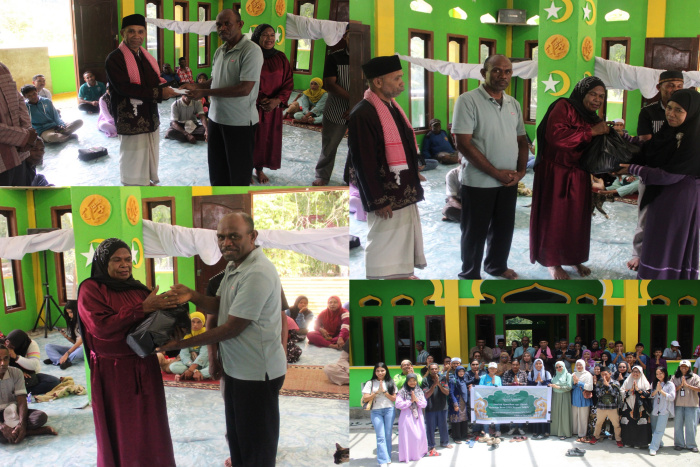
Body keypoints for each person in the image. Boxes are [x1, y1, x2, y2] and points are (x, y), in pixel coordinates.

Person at [160, 212, 287, 466]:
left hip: (256, 374)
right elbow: (221, 305)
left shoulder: (257, 272)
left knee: (257, 449)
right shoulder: (234, 266)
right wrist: (193, 295)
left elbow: (232, 327)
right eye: (221, 237)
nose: (226, 243)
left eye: (234, 236)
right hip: (237, 370)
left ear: (252, 236)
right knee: (239, 441)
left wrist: (179, 345)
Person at [77, 238, 177, 466]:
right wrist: (142, 308)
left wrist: (174, 314)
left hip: (146, 367)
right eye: (117, 260)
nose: (124, 265)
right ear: (103, 262)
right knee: (124, 427)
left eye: (128, 259)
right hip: (113, 372)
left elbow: (154, 326)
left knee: (151, 425)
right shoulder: (91, 289)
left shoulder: (138, 289)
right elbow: (100, 327)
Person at [348, 55, 426, 279]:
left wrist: (413, 171)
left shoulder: (392, 107)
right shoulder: (363, 113)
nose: (402, 83)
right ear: (378, 82)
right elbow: (363, 162)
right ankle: (380, 279)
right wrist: (377, 199)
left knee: (403, 233)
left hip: (402, 186)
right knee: (383, 238)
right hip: (384, 193)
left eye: (402, 77)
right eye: (397, 78)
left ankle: (402, 274)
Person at [452, 54, 528, 280]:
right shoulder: (468, 101)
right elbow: (463, 144)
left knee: (503, 228)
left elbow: (522, 140)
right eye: (496, 70)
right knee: (474, 231)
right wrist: (496, 173)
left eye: (507, 71)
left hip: (509, 182)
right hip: (479, 181)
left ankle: (496, 266)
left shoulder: (513, 103)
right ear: (483, 73)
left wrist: (521, 172)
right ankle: (470, 273)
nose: (502, 75)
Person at [530, 76, 610, 279]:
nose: (597, 99)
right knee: (554, 218)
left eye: (601, 96)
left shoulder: (592, 117)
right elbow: (556, 137)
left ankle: (574, 258)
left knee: (576, 219)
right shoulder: (564, 106)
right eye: (592, 94)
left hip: (579, 173)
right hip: (556, 173)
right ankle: (553, 262)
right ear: (582, 93)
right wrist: (591, 131)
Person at [620, 89, 700, 279]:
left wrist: (633, 169)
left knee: (670, 241)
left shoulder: (695, 139)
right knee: (656, 237)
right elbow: (652, 149)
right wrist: (625, 138)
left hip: (680, 199)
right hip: (660, 195)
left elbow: (671, 175)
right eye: (669, 108)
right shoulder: (670, 131)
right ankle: (652, 279)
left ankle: (667, 283)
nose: (671, 114)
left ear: (692, 112)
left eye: (679, 110)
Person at [181, 9, 263, 186]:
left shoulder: (251, 51)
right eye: (219, 24)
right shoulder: (220, 51)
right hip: (216, 120)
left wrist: (205, 92)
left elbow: (245, 89)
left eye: (227, 24)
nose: (222, 28)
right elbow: (214, 80)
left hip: (239, 123)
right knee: (217, 173)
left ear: (240, 24)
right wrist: (196, 86)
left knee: (238, 176)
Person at [105, 14, 177, 186]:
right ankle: (132, 185)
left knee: (149, 149)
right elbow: (124, 88)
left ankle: (145, 181)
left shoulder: (145, 57)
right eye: (131, 31)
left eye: (140, 31)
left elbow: (152, 81)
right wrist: (159, 93)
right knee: (133, 154)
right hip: (130, 116)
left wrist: (171, 89)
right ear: (123, 33)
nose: (136, 36)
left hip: (149, 114)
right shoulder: (115, 58)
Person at [628, 70, 685, 271]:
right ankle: (638, 253)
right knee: (646, 212)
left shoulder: (689, 112)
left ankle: (670, 255)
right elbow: (647, 144)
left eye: (679, 86)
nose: (675, 90)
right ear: (659, 87)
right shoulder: (649, 112)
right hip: (652, 171)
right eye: (670, 85)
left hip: (678, 174)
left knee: (674, 217)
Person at [250, 23, 293, 184]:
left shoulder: (281, 57)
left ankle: (259, 168)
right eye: (265, 35)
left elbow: (288, 81)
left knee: (267, 138)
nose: (269, 38)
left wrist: (277, 100)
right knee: (251, 138)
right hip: (253, 105)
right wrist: (260, 99)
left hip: (273, 107)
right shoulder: (250, 55)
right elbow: (246, 80)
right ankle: (246, 168)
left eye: (272, 35)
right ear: (257, 37)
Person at [312, 30, 349, 186]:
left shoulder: (366, 58)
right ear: (345, 36)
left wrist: (357, 106)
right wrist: (353, 101)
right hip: (336, 110)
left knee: (358, 147)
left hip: (361, 109)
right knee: (329, 145)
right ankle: (323, 175)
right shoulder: (335, 57)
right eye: (350, 34)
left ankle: (351, 177)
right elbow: (330, 84)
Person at [0, 345, 57, 444]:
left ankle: (17, 432)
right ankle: (35, 432)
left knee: (40, 417)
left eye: (6, 359)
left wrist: (22, 424)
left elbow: (21, 399)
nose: (3, 363)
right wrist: (1, 426)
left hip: (14, 411)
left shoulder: (16, 373)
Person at [0, 62, 39, 186]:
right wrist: (24, 137)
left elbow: (19, 100)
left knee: (22, 194)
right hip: (2, 162)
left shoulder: (2, 69)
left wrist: (28, 130)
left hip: (19, 154)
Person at [361, 362, 396, 467]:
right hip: (376, 411)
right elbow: (365, 398)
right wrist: (376, 392)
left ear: (386, 371)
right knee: (380, 436)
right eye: (378, 371)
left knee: (388, 435)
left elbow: (394, 398)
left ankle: (387, 457)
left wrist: (384, 392)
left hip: (389, 409)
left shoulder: (390, 382)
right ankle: (382, 460)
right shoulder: (370, 383)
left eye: (382, 370)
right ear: (375, 372)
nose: (380, 373)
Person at [4, 330, 59, 396]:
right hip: (9, 376)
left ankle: (19, 391)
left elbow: (34, 365)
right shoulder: (2, 346)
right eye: (7, 342)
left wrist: (16, 357)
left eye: (12, 346)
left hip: (29, 374)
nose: (8, 347)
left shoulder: (30, 344)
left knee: (54, 382)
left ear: (20, 345)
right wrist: (17, 372)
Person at [395, 373, 428, 461]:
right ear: (407, 381)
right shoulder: (402, 392)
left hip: (418, 416)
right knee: (409, 436)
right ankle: (407, 456)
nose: (412, 382)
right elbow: (398, 404)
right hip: (406, 416)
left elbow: (424, 404)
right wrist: (410, 401)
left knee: (419, 436)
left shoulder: (419, 391)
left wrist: (416, 400)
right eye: (410, 381)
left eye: (414, 380)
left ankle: (418, 453)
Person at [168, 312, 210, 381]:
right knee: (173, 367)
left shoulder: (206, 335)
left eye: (198, 322)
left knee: (213, 369)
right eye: (193, 322)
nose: (195, 324)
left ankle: (189, 374)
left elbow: (204, 355)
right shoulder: (186, 335)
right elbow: (184, 354)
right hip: (189, 363)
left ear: (203, 323)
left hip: (204, 363)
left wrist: (191, 370)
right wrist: (192, 368)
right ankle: (197, 374)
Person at [421, 362, 452, 454]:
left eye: (436, 369)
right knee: (430, 428)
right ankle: (431, 445)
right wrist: (434, 385)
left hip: (442, 406)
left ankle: (445, 442)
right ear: (429, 370)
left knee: (443, 426)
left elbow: (447, 392)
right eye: (432, 369)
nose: (434, 371)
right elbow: (426, 395)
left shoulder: (443, 378)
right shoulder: (425, 380)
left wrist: (439, 384)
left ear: (438, 369)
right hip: (430, 408)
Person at [589, 366, 624, 447]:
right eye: (602, 375)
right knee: (598, 423)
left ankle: (618, 439)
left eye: (605, 374)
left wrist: (608, 386)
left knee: (616, 424)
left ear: (610, 374)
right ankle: (596, 436)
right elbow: (598, 394)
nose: (604, 376)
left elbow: (615, 394)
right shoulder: (599, 383)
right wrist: (605, 386)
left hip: (612, 407)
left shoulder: (615, 383)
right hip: (601, 407)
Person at [44, 300, 84, 369]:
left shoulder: (84, 322)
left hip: (84, 350)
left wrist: (67, 353)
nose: (69, 315)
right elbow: (75, 342)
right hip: (77, 348)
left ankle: (58, 360)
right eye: (68, 313)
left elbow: (81, 341)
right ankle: (60, 360)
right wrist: (66, 336)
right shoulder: (74, 323)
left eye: (71, 312)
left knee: (80, 350)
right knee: (48, 346)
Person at [619, 365, 652, 448]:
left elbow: (648, 394)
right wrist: (630, 391)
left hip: (640, 407)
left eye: (637, 372)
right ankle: (628, 442)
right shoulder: (628, 381)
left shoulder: (644, 382)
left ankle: (640, 443)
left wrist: (638, 390)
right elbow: (621, 391)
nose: (635, 373)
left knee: (640, 424)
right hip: (628, 405)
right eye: (634, 371)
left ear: (641, 373)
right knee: (628, 424)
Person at [671, 360, 700, 452]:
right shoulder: (674, 377)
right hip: (678, 404)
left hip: (692, 404)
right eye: (682, 366)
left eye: (686, 366)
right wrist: (680, 386)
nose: (684, 368)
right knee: (678, 425)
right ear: (679, 367)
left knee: (691, 425)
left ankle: (691, 445)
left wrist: (687, 385)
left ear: (689, 367)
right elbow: (670, 390)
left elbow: (699, 388)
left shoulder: (695, 377)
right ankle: (679, 444)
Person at [649, 366, 675, 456]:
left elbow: (672, 397)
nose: (659, 375)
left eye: (661, 373)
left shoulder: (670, 384)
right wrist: (657, 390)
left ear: (665, 373)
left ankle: (653, 447)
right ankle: (659, 442)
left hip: (664, 410)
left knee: (659, 430)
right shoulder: (654, 383)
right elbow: (651, 395)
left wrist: (661, 391)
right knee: (654, 429)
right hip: (655, 410)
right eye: (657, 374)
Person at [503, 358, 528, 438]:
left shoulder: (523, 373)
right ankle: (512, 427)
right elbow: (503, 383)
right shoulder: (507, 373)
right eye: (513, 365)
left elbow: (526, 384)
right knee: (512, 411)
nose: (515, 366)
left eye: (517, 365)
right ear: (511, 365)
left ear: (519, 365)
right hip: (510, 396)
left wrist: (518, 383)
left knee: (520, 411)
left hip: (520, 396)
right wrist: (512, 383)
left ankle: (520, 427)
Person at [527, 358, 552, 439]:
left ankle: (545, 431)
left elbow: (549, 383)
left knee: (544, 413)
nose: (538, 365)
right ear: (534, 365)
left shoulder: (547, 373)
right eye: (536, 364)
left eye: (540, 363)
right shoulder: (531, 373)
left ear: (542, 364)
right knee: (536, 412)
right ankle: (536, 431)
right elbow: (528, 385)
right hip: (535, 396)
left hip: (545, 396)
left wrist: (541, 381)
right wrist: (535, 382)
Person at [449, 365, 474, 443]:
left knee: (464, 419)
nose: (461, 373)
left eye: (463, 371)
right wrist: (455, 404)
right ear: (456, 372)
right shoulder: (453, 380)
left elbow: (471, 382)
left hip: (463, 402)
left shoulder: (463, 380)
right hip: (457, 401)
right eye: (459, 371)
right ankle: (456, 438)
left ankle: (464, 436)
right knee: (456, 420)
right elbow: (451, 392)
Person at [549, 361, 573, 439]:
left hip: (565, 396)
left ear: (564, 366)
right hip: (555, 396)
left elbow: (569, 387)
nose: (558, 368)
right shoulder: (555, 375)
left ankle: (564, 432)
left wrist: (558, 387)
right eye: (557, 367)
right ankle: (555, 431)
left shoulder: (568, 375)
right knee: (555, 414)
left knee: (564, 414)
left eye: (560, 366)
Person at [571, 359, 593, 442]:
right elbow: (571, 386)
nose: (579, 366)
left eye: (580, 365)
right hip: (575, 396)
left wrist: (579, 382)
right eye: (577, 365)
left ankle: (582, 434)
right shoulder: (573, 374)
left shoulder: (588, 375)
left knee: (583, 416)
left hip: (584, 396)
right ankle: (575, 432)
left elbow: (590, 387)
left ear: (584, 365)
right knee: (574, 415)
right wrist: (574, 384)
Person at [479, 362, 502, 436]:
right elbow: (480, 388)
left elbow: (500, 389)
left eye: (494, 368)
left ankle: (497, 430)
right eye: (490, 368)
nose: (492, 370)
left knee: (497, 415)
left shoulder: (498, 378)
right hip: (486, 400)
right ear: (488, 369)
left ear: (496, 370)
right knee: (486, 415)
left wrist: (494, 383)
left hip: (496, 400)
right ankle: (486, 432)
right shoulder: (483, 377)